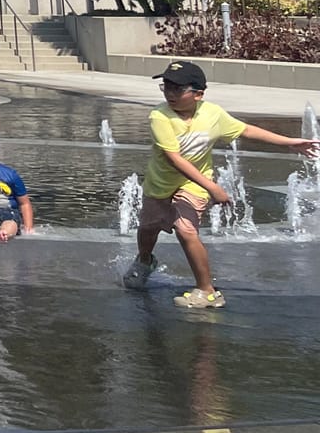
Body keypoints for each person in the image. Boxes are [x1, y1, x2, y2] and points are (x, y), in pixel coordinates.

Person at [125, 59, 320, 308]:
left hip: (193, 184)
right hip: (160, 184)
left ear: (198, 94)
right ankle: (144, 261)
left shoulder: (212, 114)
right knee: (148, 228)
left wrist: (289, 143)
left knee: (185, 229)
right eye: (166, 87)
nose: (170, 94)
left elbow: (245, 130)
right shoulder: (160, 116)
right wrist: (214, 187)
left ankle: (207, 291)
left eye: (177, 89)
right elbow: (173, 159)